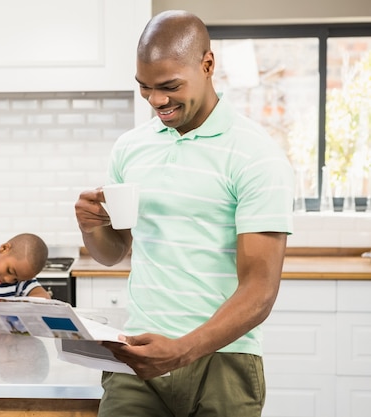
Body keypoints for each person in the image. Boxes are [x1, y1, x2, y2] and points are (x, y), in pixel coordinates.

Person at [74, 10, 294, 417]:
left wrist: (180, 352)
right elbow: (114, 251)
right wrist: (91, 228)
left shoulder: (256, 155)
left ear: (207, 65)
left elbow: (260, 291)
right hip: (138, 353)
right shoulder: (130, 148)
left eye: (169, 86)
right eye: (145, 88)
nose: (157, 101)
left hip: (223, 361)